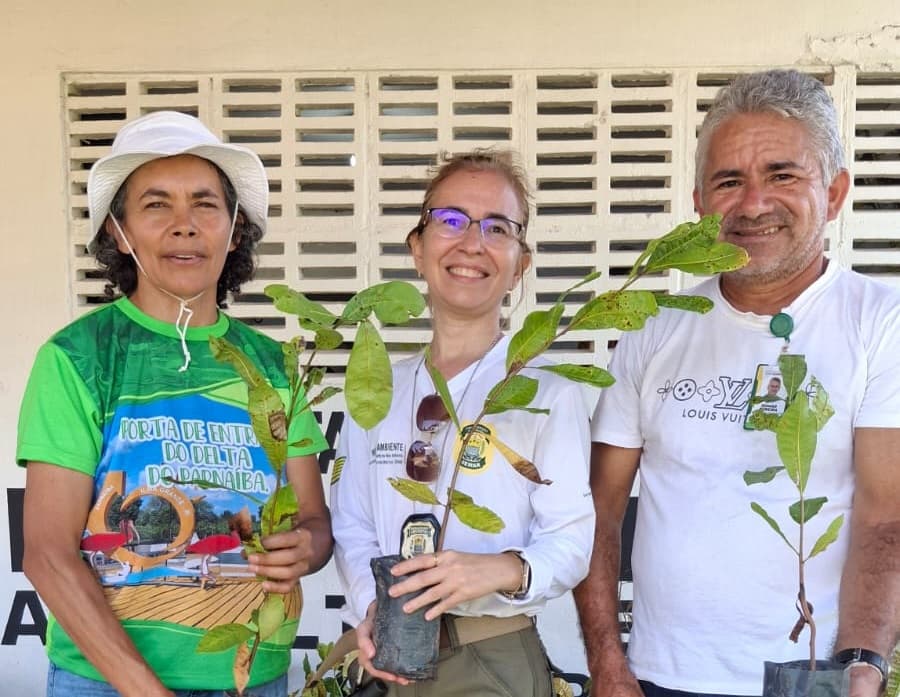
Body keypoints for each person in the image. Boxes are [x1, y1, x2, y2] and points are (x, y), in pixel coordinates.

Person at [574, 69, 900, 697]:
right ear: (699, 204)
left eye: (783, 174)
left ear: (833, 193)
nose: (753, 204)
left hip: (812, 678)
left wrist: (861, 663)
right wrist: (608, 667)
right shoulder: (654, 329)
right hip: (658, 678)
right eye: (729, 181)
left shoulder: (880, 323)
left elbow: (886, 515)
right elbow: (598, 510)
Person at [17, 111, 332, 697]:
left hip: (253, 678)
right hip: (108, 685)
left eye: (205, 204)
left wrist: (307, 548)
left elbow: (313, 522)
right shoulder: (79, 357)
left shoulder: (274, 368)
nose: (184, 226)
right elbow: (47, 555)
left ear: (234, 229)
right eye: (157, 205)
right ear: (120, 231)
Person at [331, 150, 595, 696]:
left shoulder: (550, 393)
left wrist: (500, 569)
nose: (472, 242)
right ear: (417, 247)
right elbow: (353, 523)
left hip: (491, 660)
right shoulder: (376, 390)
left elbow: (569, 541)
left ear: (520, 263)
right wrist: (373, 606)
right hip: (385, 656)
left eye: (497, 227)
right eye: (450, 220)